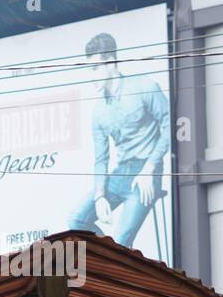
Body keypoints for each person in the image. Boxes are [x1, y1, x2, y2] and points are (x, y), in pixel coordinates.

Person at [67, 32, 169, 248]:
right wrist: (99, 195)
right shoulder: (98, 112)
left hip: (147, 169)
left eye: (95, 68)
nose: (91, 76)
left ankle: (120, 258)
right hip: (121, 173)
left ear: (111, 63)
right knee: (76, 220)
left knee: (123, 240)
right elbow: (101, 159)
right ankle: (111, 258)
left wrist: (150, 169)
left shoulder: (143, 86)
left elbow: (170, 125)